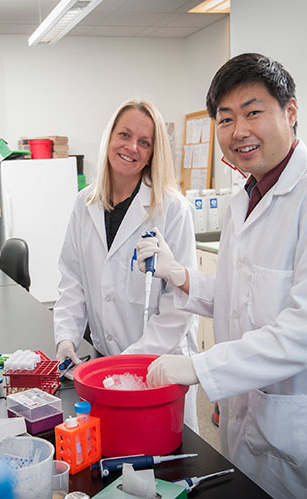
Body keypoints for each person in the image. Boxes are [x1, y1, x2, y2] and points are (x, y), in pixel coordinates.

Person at [136, 53, 307, 498]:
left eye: (253, 112)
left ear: (291, 112)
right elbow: (242, 298)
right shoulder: (245, 199)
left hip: (305, 437)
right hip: (248, 419)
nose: (239, 131)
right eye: (226, 119)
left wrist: (198, 366)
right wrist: (181, 275)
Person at [53, 98, 199, 432]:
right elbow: (72, 279)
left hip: (158, 366)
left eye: (144, 142)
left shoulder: (172, 209)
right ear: (109, 138)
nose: (132, 147)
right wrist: (66, 338)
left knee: (162, 460)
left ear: (153, 153)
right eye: (125, 134)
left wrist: (129, 362)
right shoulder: (84, 203)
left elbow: (179, 304)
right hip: (104, 364)